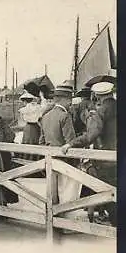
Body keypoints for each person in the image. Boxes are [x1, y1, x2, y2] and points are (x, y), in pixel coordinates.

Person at [61, 81, 117, 226]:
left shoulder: (100, 112)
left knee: (110, 194)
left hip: (107, 161)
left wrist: (71, 143)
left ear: (97, 95)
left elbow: (90, 136)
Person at [39, 85, 81, 213]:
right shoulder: (65, 116)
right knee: (67, 191)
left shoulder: (45, 116)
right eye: (69, 100)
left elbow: (41, 141)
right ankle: (66, 222)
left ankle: (54, 220)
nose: (70, 103)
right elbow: (70, 140)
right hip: (65, 160)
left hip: (50, 159)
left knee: (52, 191)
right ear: (64, 99)